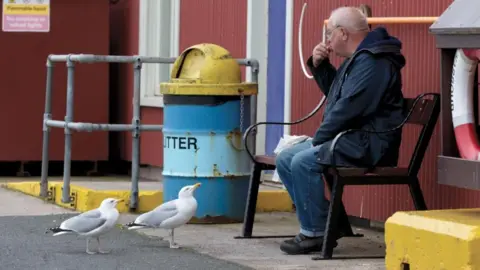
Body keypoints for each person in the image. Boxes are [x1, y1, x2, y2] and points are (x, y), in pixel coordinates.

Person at [276, 6, 406, 255]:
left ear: (343, 33)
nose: (327, 40)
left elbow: (347, 108)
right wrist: (321, 66)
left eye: (330, 34)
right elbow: (338, 96)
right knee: (286, 158)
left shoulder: (373, 61)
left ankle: (315, 233)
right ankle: (326, 223)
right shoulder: (360, 58)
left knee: (303, 161)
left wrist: (319, 140)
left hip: (370, 144)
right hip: (353, 138)